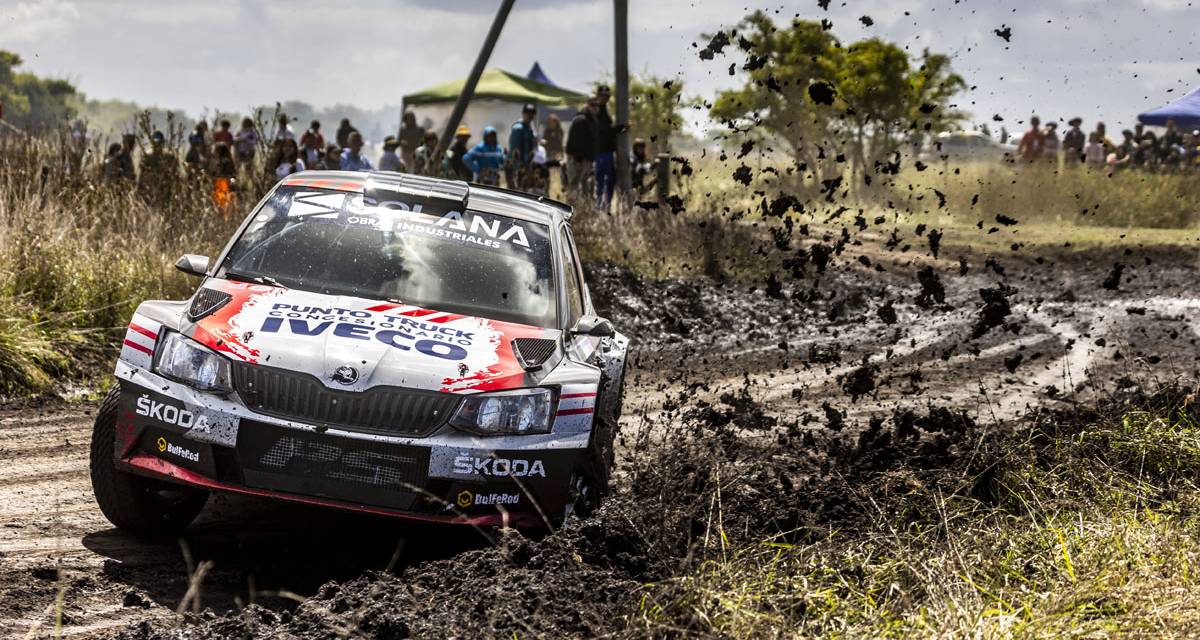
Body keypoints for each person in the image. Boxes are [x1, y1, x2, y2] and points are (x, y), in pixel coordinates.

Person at [593, 85, 619, 207]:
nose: (604, 98)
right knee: (601, 179)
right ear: (598, 96)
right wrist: (620, 127)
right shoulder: (597, 110)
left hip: (607, 151)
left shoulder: (604, 109)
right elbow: (604, 129)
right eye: (602, 95)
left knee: (610, 179)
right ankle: (599, 205)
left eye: (606, 96)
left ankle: (606, 204)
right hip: (601, 151)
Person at [565, 99, 597, 196]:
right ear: (587, 105)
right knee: (574, 184)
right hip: (578, 159)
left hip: (585, 159)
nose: (595, 107)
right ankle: (573, 204)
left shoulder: (591, 120)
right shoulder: (581, 119)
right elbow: (575, 140)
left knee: (584, 184)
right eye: (593, 105)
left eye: (596, 105)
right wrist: (578, 159)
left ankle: (583, 204)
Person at [138, 130, 178, 204]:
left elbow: (175, 176)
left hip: (165, 194)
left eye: (159, 143)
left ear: (162, 143)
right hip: (149, 193)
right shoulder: (147, 157)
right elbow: (142, 177)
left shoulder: (169, 157)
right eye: (155, 143)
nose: (157, 145)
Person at [508, 103, 538, 189]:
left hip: (527, 165)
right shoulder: (518, 128)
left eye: (532, 113)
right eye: (528, 113)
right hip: (518, 167)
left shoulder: (530, 128)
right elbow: (514, 150)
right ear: (523, 113)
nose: (530, 115)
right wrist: (517, 167)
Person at [209, 142, 237, 211]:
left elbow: (221, 174)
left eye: (216, 150)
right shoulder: (228, 160)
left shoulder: (223, 161)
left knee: (222, 204)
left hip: (222, 184)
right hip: (225, 184)